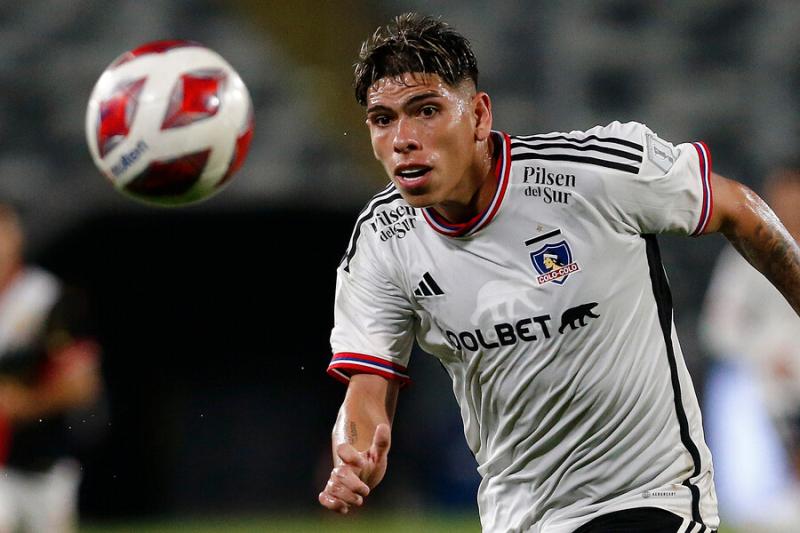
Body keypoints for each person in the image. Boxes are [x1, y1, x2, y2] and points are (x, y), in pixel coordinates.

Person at [318, 13, 800, 533]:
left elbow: (737, 207)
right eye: (383, 119)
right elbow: (366, 393)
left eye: (426, 110)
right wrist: (354, 451)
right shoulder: (382, 239)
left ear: (479, 115)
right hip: (516, 514)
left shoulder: (592, 177)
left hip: (648, 497)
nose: (403, 138)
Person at [700, 166, 800, 531]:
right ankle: (759, 501)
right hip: (765, 384)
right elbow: (718, 328)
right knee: (733, 385)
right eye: (784, 195)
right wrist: (764, 354)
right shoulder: (747, 255)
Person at [0, 203, 103, 533]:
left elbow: (83, 385)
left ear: (16, 239)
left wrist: (26, 404)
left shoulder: (46, 298)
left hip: (43, 466)